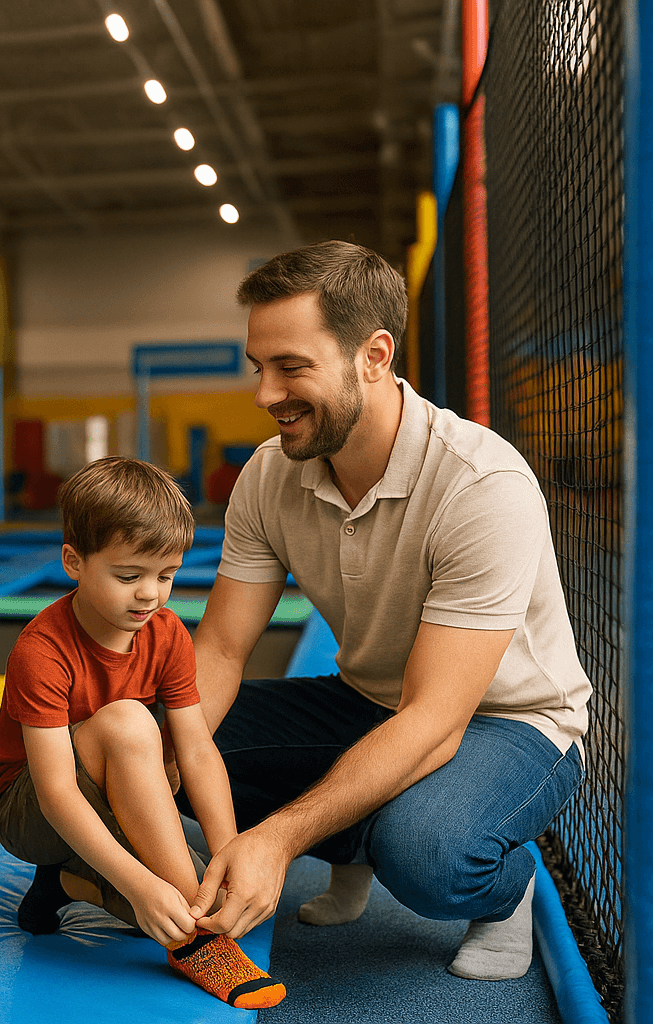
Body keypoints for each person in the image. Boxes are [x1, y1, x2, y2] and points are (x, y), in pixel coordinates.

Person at [182, 240, 590, 981]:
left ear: (373, 355)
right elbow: (218, 653)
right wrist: (155, 762)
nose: (264, 394)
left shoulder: (480, 484)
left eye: (291, 367)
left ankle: (506, 891)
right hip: (367, 702)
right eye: (259, 367)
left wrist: (276, 839)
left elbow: (435, 721)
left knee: (427, 853)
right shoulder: (270, 475)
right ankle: (353, 838)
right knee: (158, 740)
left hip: (508, 723)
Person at [0, 457, 286, 1010]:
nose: (150, 595)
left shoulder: (167, 634)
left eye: (165, 576)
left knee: (183, 900)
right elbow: (55, 793)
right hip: (28, 807)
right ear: (75, 561)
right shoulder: (41, 649)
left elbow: (195, 749)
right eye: (129, 577)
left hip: (98, 792)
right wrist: (146, 887)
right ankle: (201, 946)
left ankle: (63, 885)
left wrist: (227, 853)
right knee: (129, 723)